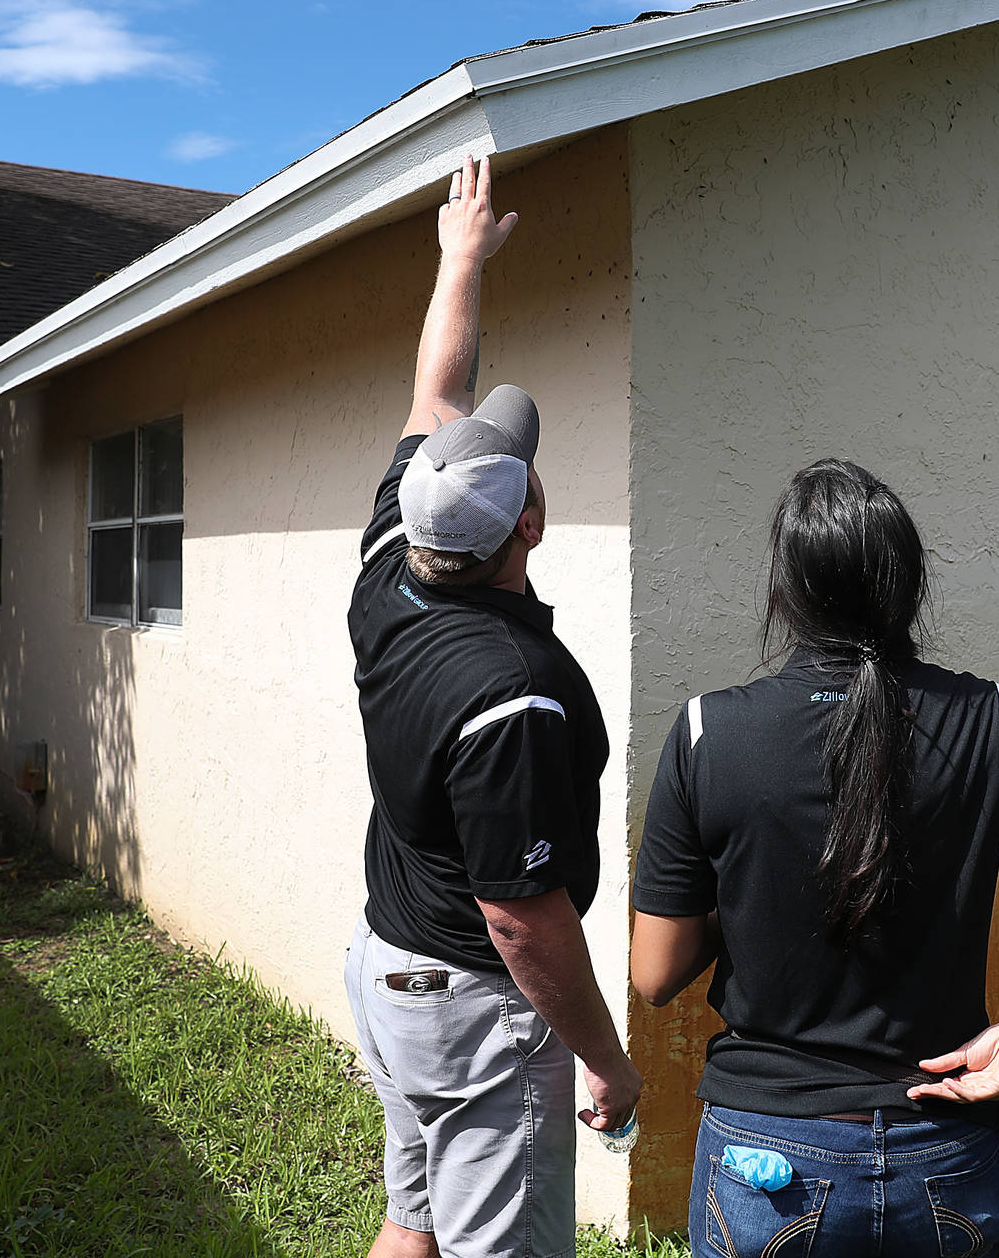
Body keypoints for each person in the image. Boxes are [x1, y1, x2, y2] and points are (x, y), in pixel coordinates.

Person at [630, 458, 999, 1257]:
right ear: (910, 586)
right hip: (945, 1152)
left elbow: (656, 976)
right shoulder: (994, 720)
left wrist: (754, 888)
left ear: (784, 593)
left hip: (766, 1161)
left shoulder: (705, 733)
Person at [345, 154, 641, 1258]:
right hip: (470, 1009)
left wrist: (459, 258)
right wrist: (606, 1060)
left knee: (409, 1224)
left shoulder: (390, 566)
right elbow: (522, 918)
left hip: (388, 967)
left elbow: (437, 396)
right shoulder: (511, 698)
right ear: (529, 525)